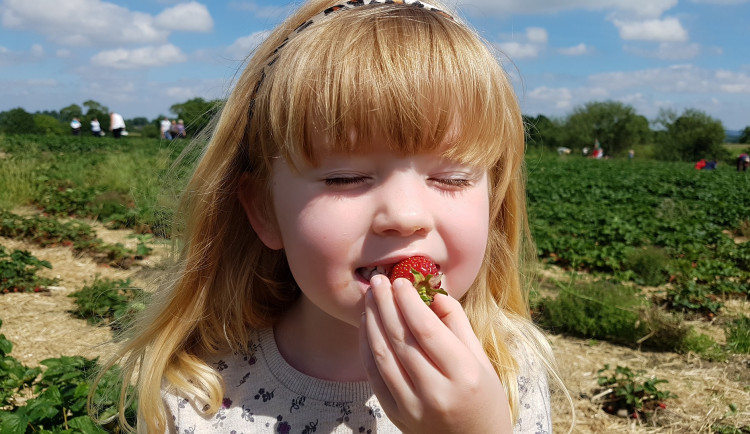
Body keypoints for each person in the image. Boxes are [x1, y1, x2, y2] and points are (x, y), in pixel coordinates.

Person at [95, 1, 569, 433]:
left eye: (451, 178)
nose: (405, 216)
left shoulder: (505, 370)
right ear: (264, 210)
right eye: (345, 178)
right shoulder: (201, 391)